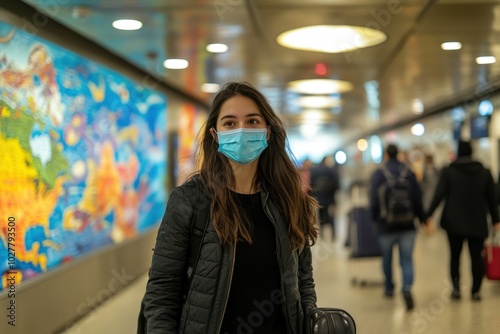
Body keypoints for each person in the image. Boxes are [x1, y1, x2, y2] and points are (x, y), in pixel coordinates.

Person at [141, 82, 319, 333]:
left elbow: (303, 280)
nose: (242, 130)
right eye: (230, 123)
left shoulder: (289, 200)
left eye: (253, 121)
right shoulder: (190, 201)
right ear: (215, 134)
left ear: (268, 131)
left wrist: (310, 319)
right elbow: (162, 292)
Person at [426, 140, 500, 301]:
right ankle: (475, 291)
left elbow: (439, 194)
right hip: (477, 221)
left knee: (455, 256)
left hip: (454, 222)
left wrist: (427, 215)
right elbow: (492, 199)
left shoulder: (449, 171)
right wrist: (496, 220)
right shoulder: (484, 172)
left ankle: (456, 289)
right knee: (476, 257)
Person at [369, 143, 427, 311]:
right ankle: (407, 288)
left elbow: (373, 201)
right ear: (399, 154)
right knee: (407, 260)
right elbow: (418, 198)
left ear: (386, 155)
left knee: (386, 259)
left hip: (385, 225)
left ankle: (389, 287)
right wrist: (423, 219)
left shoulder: (379, 174)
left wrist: (374, 220)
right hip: (408, 225)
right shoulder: (408, 172)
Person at [310, 155, 340, 240]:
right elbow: (336, 184)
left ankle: (322, 234)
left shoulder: (314, 170)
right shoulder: (331, 170)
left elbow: (311, 184)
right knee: (331, 216)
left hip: (319, 197)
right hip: (329, 197)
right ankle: (333, 234)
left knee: (321, 215)